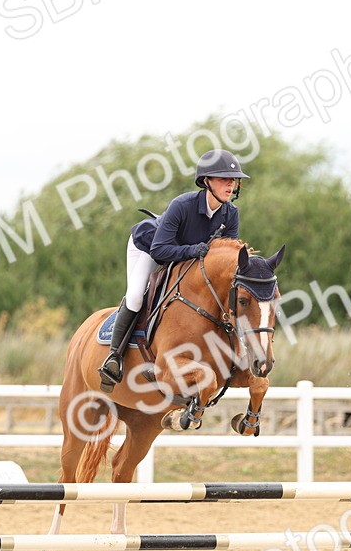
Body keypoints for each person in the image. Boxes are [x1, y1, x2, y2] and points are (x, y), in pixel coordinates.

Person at [98, 148, 250, 391]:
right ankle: (114, 357)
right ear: (207, 182)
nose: (230, 185)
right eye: (224, 179)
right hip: (148, 246)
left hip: (187, 254)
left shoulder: (231, 213)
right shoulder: (182, 205)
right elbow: (160, 251)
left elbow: (226, 252)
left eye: (233, 180)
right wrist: (192, 250)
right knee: (137, 294)